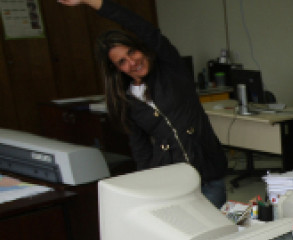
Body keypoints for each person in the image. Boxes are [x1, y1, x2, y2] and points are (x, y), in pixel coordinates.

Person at [59, 0, 229, 208]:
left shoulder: (170, 69)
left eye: (131, 52)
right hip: (170, 180)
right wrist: (148, 186)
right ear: (117, 70)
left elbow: (141, 27)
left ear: (141, 48)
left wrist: (91, 1)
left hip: (208, 172)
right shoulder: (125, 100)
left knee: (217, 235)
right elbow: (140, 148)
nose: (132, 62)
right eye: (122, 61)